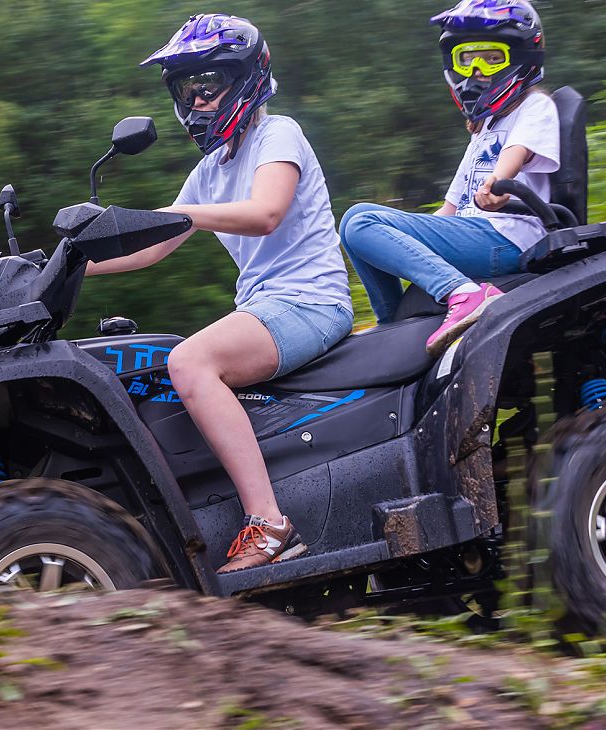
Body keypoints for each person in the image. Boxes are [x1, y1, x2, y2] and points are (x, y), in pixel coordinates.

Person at [87, 13, 353, 573]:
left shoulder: (278, 134)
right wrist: (62, 264)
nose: (196, 103)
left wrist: (183, 214)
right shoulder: (212, 167)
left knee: (189, 361)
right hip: (266, 307)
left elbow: (265, 213)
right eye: (186, 91)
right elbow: (154, 246)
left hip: (311, 302)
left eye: (207, 86)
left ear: (246, 78)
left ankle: (270, 525)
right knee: (149, 370)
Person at [339, 0, 559, 356]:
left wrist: (497, 183)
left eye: (492, 58)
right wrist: (401, 240)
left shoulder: (535, 106)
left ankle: (466, 294)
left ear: (521, 57)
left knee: (362, 221)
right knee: (355, 224)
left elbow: (517, 151)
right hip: (474, 235)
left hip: (507, 237)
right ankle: (394, 326)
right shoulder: (484, 128)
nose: (477, 71)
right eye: (466, 60)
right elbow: (450, 209)